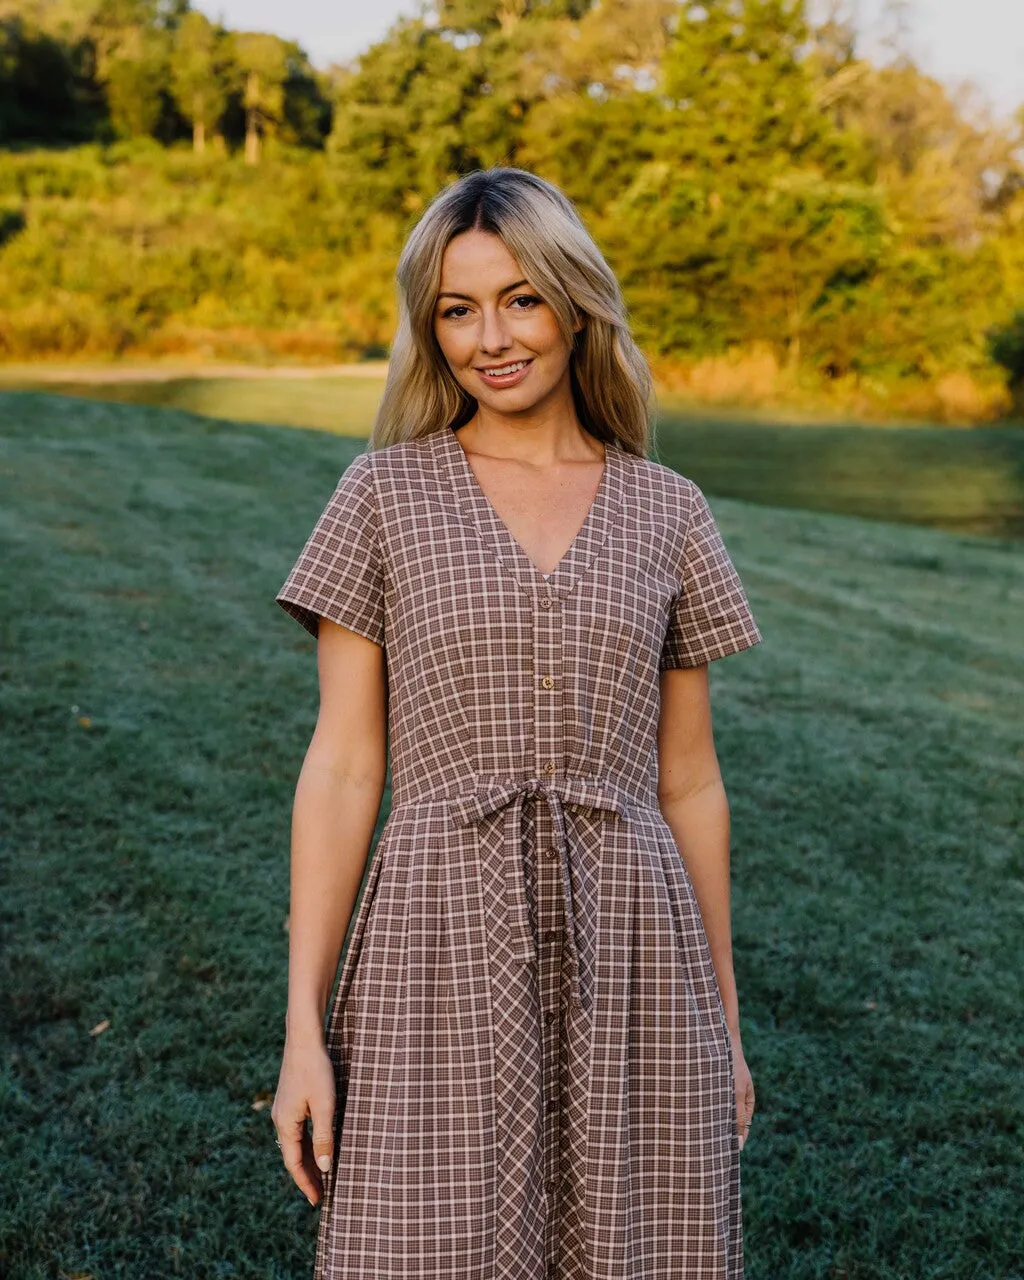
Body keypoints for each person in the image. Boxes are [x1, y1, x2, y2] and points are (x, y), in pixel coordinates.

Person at [271, 166, 762, 1280]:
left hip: (634, 946)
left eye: (519, 297)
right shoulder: (381, 494)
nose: (490, 336)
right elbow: (344, 765)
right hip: (435, 939)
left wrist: (723, 1023)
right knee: (423, 1246)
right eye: (455, 308)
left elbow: (689, 781)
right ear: (428, 328)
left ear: (573, 300)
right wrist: (305, 1026)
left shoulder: (668, 507)